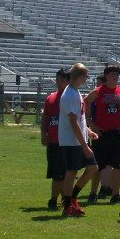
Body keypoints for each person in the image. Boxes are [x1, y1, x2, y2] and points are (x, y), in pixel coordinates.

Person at [84, 64, 120, 204]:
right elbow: (84, 105)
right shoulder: (98, 91)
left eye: (117, 74)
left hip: (117, 133)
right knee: (98, 166)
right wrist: (91, 123)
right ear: (106, 75)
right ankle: (93, 193)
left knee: (118, 166)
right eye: (112, 74)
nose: (115, 77)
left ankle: (115, 195)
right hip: (101, 133)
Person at [58, 62, 99, 217]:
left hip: (79, 139)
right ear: (80, 76)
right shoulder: (69, 94)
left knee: (92, 168)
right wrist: (85, 146)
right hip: (71, 141)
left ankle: (72, 198)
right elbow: (73, 122)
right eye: (86, 75)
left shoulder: (76, 92)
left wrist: (88, 131)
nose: (87, 78)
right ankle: (68, 205)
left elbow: (80, 119)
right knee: (71, 172)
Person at [40, 68, 70, 210]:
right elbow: (45, 118)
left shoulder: (72, 97)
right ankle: (53, 199)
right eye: (57, 80)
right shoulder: (50, 98)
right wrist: (43, 133)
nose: (59, 83)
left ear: (68, 81)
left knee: (67, 173)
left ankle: (64, 198)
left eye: (62, 80)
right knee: (57, 173)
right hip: (54, 140)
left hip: (67, 141)